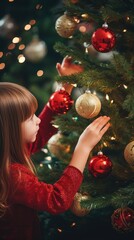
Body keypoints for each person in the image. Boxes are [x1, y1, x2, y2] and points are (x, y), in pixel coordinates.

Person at [0, 56, 110, 240]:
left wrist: (65, 88)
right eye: (29, 118)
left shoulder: (6, 152)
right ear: (9, 130)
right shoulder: (12, 175)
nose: (37, 120)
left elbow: (40, 133)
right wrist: (82, 148)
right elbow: (57, 200)